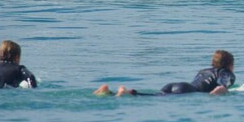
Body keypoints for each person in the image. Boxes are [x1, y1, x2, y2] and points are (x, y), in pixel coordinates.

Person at [93, 50, 236, 97]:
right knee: (155, 98)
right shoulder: (227, 73)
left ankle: (111, 92)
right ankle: (124, 93)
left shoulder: (203, 70)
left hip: (176, 85)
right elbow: (220, 88)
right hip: (187, 90)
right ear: (230, 64)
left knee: (155, 96)